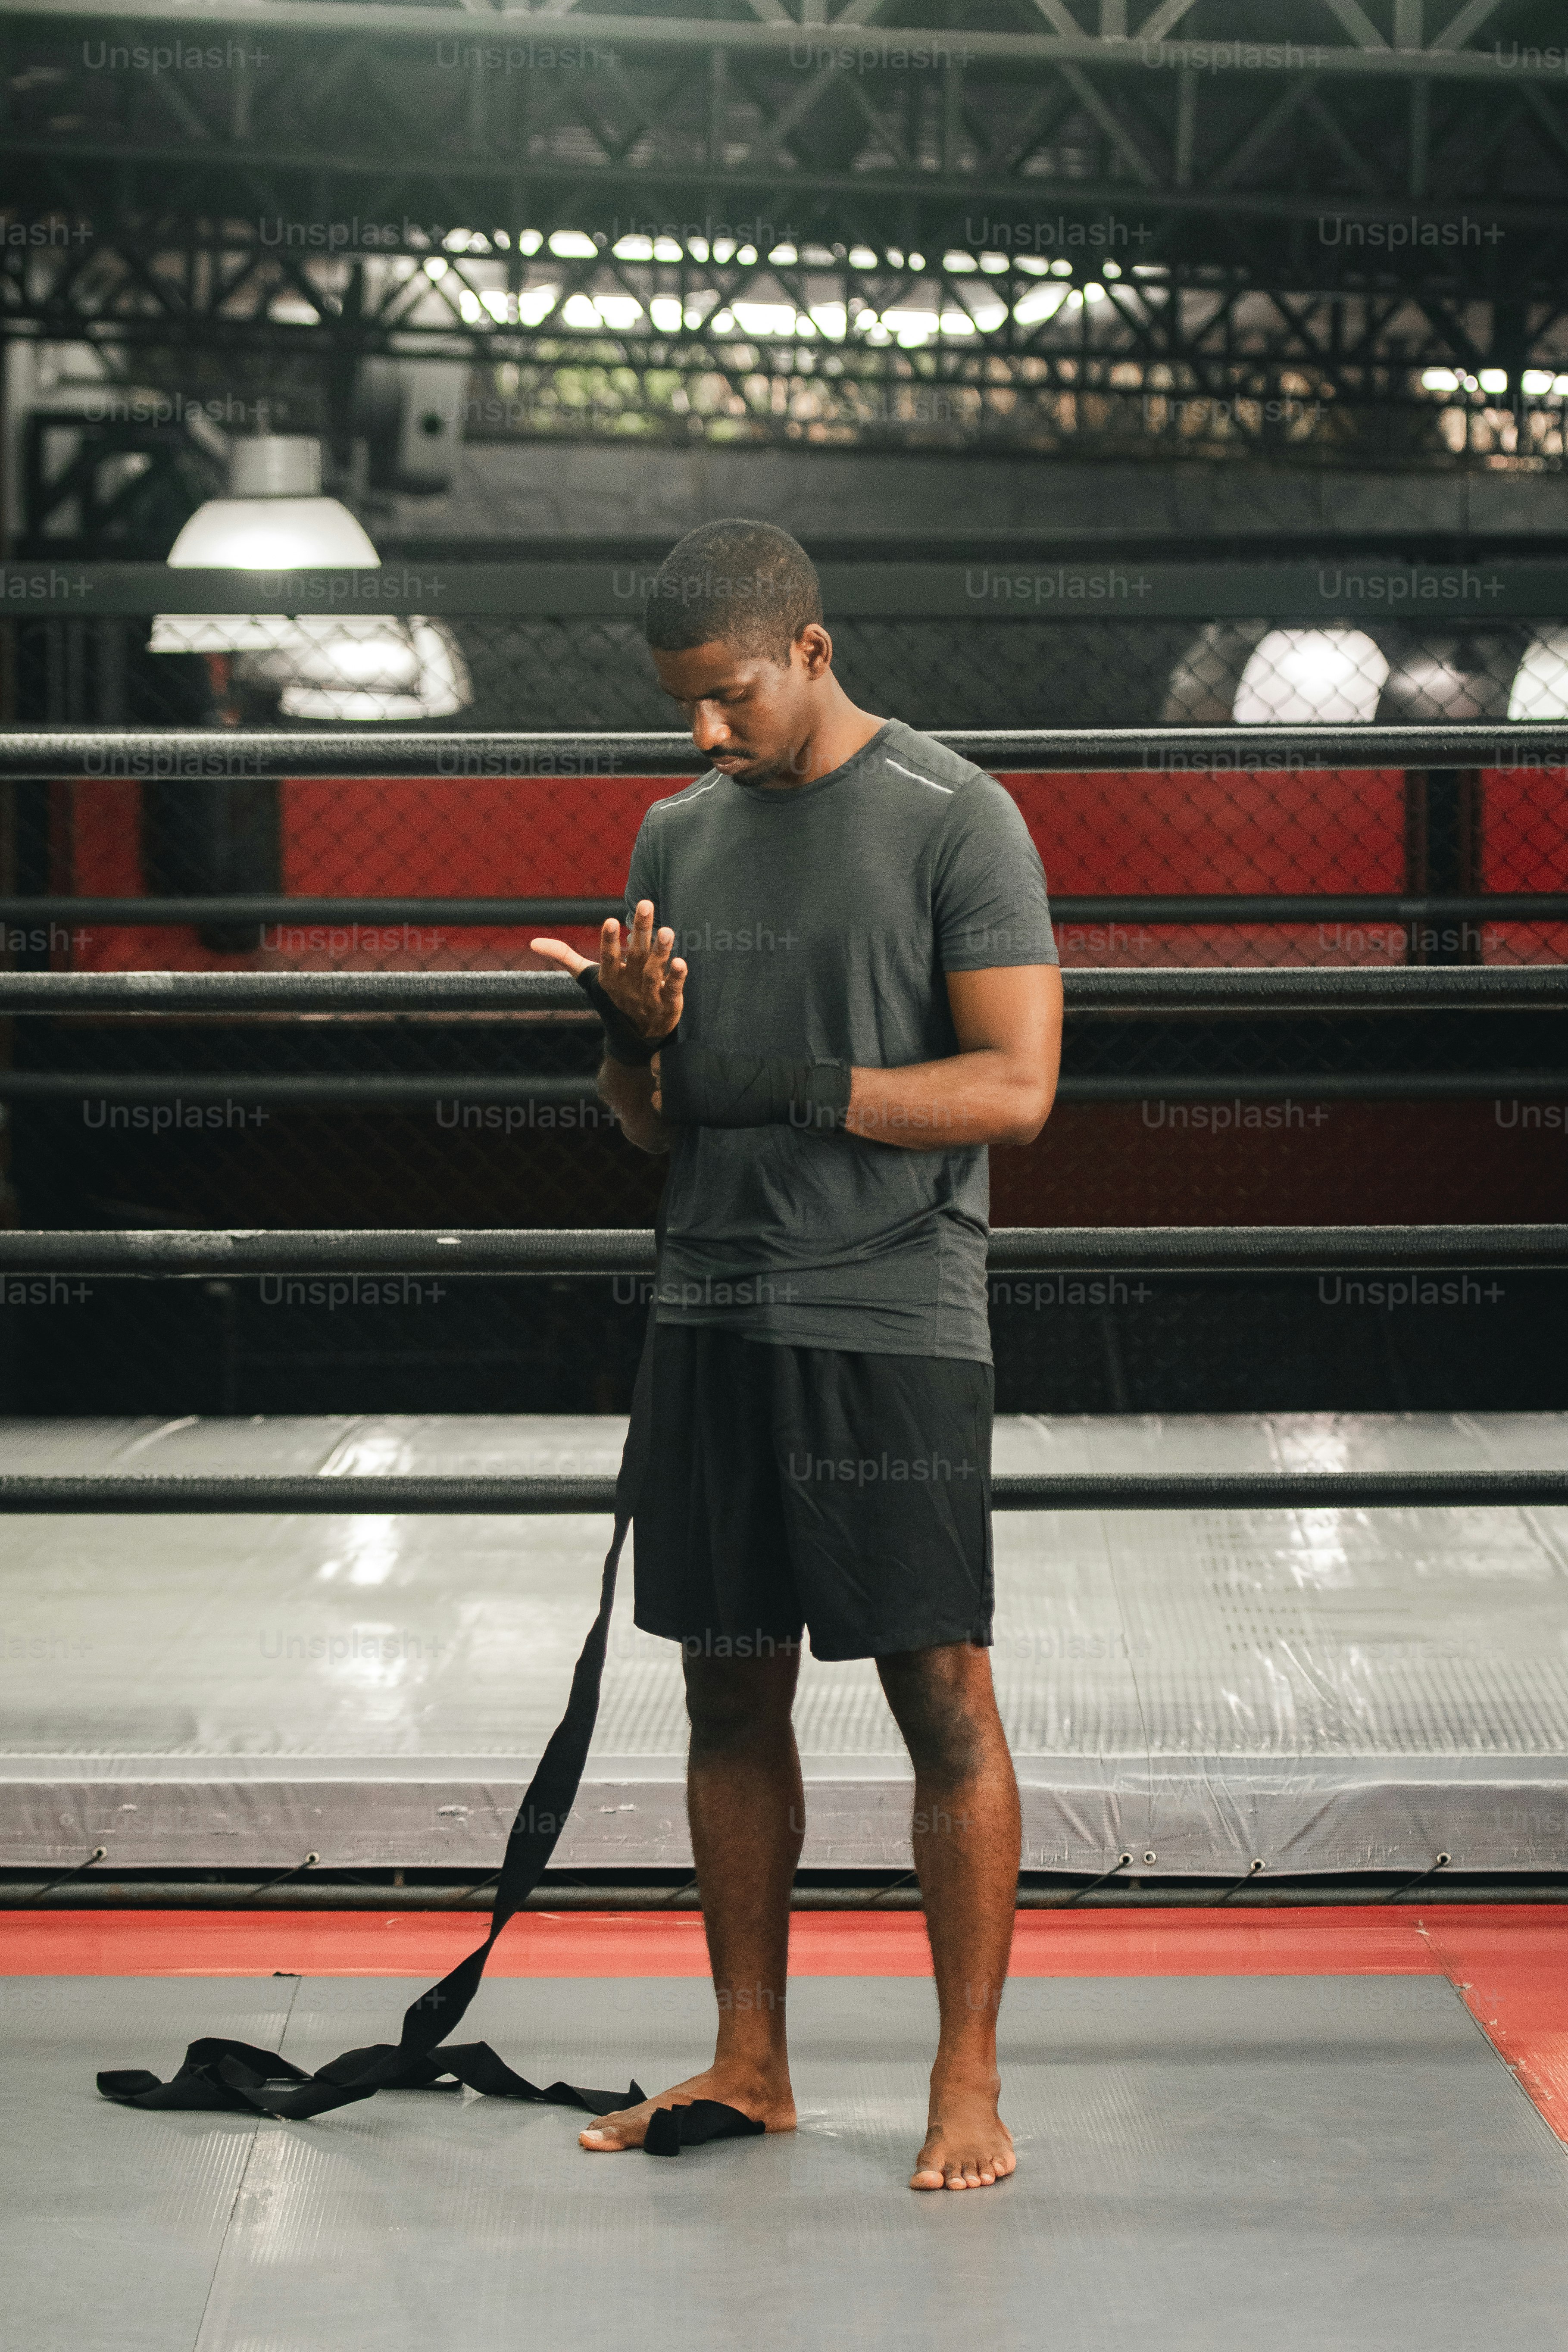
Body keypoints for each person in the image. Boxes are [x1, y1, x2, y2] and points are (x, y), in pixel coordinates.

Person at [531, 518, 1062, 2190]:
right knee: (725, 1688)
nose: (704, 733)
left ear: (812, 654)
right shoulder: (674, 833)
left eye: (730, 697)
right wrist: (634, 1042)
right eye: (681, 706)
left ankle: (965, 2082)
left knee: (939, 1692)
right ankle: (750, 2058)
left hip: (889, 1315)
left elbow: (1016, 1087)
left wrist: (806, 1088)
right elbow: (648, 1124)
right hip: (712, 1309)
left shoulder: (955, 814)